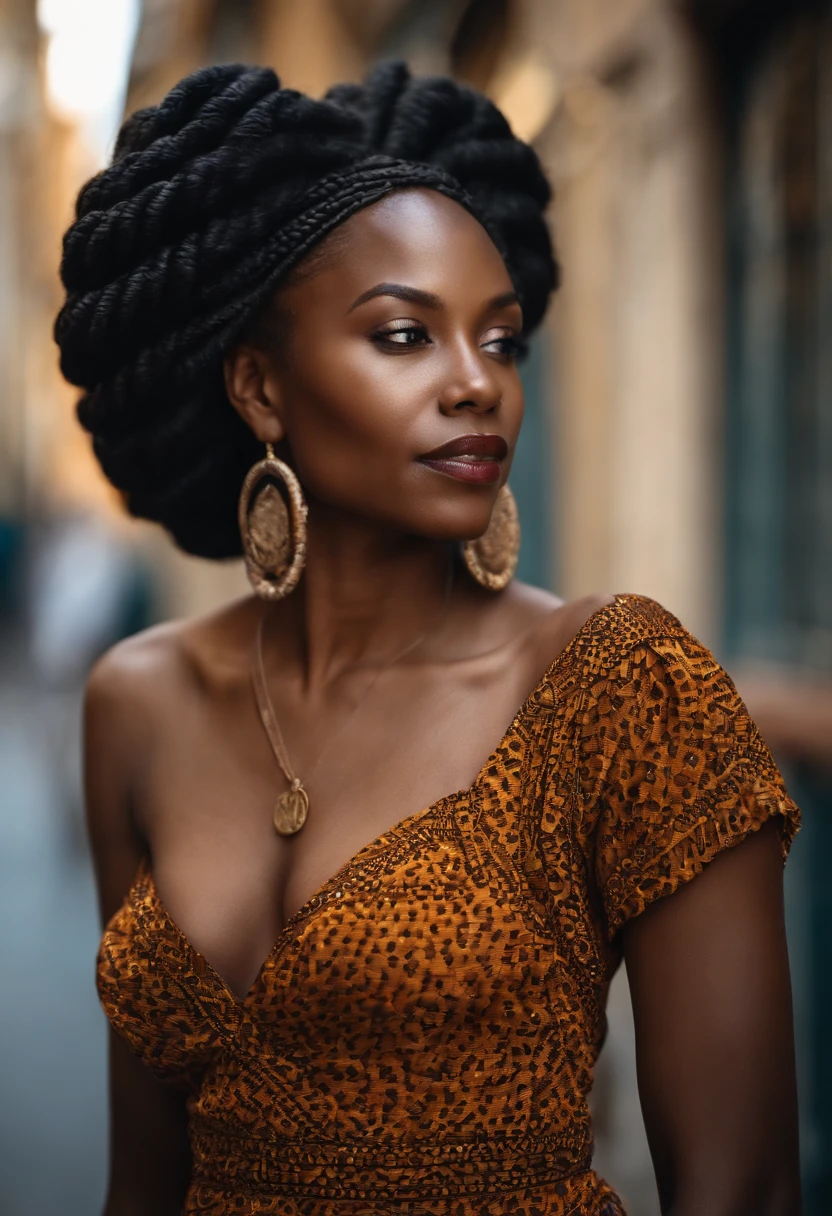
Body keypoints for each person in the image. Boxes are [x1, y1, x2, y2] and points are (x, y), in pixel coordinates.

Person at [55, 61, 801, 1216]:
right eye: (405, 336)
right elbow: (142, 1180)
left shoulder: (616, 682)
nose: (476, 386)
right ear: (260, 387)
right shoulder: (138, 703)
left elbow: (740, 1187)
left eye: (499, 342)